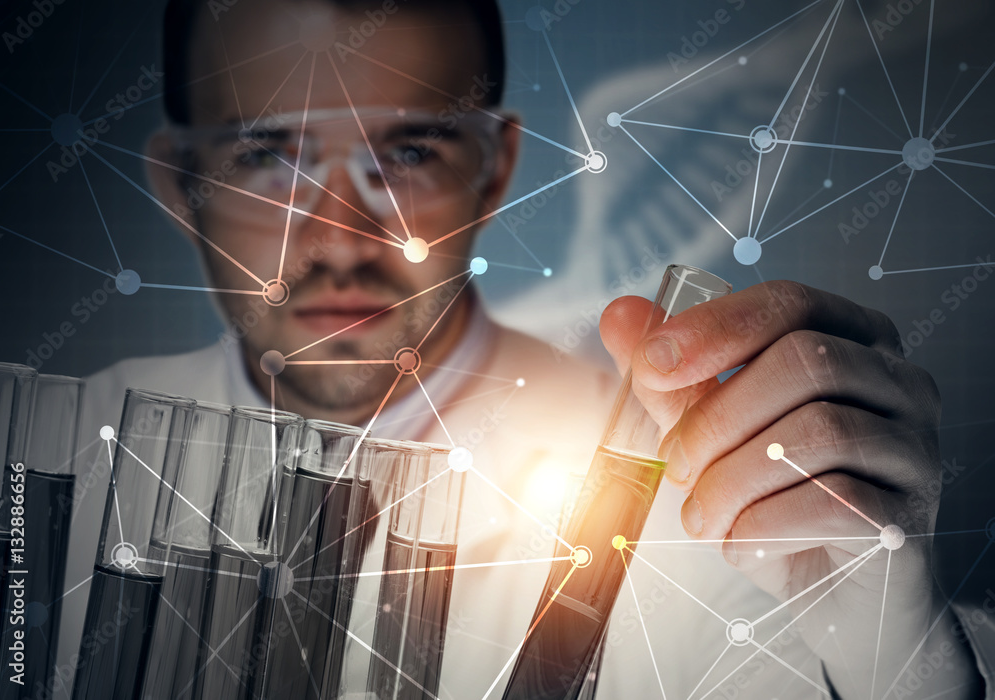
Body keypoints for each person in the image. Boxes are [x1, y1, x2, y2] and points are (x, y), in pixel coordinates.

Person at [54, 0, 990, 698]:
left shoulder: (688, 501)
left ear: (495, 168)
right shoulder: (52, 462)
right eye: (269, 157)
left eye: (408, 155)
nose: (339, 237)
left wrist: (895, 659)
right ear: (181, 185)